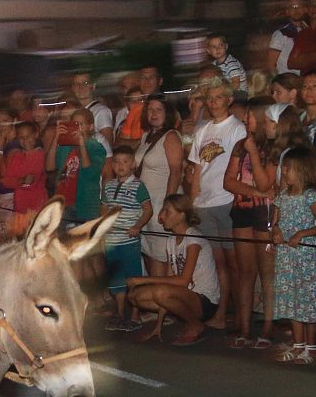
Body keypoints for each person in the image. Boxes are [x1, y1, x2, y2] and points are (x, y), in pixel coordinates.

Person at [185, 83, 246, 332]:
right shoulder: (203, 131)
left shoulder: (237, 128)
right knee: (219, 262)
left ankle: (240, 316)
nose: (214, 102)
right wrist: (193, 198)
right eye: (210, 98)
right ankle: (222, 313)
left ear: (229, 99)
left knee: (235, 262)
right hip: (205, 202)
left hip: (226, 199)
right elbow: (197, 168)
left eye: (219, 97)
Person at [127, 194, 220, 347]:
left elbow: (183, 281)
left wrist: (143, 279)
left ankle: (196, 325)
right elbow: (169, 283)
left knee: (159, 292)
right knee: (135, 296)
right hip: (185, 294)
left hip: (205, 300)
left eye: (167, 212)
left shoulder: (194, 240)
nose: (162, 216)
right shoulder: (171, 240)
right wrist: (158, 326)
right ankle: (187, 321)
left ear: (182, 215)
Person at [224, 98, 277, 348]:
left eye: (250, 117)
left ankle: (267, 325)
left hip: (264, 213)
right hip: (243, 209)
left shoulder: (271, 148)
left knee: (267, 273)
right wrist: (255, 193)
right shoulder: (240, 145)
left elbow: (266, 182)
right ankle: (244, 327)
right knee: (246, 271)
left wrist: (253, 151)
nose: (246, 120)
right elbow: (228, 181)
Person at [270, 147, 316, 364]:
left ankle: (312, 347)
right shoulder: (282, 196)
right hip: (287, 256)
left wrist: (302, 234)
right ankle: (298, 344)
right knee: (292, 299)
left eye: (289, 169)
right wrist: (276, 232)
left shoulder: (310, 196)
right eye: (284, 168)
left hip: (305, 256)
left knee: (308, 300)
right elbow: (275, 222)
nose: (284, 172)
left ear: (302, 170)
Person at [101, 146, 152, 330]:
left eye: (125, 161)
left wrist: (137, 226)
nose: (120, 165)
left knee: (132, 278)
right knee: (116, 278)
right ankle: (120, 313)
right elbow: (104, 208)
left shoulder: (138, 186)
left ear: (133, 164)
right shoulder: (108, 185)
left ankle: (135, 316)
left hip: (129, 241)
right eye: (116, 161)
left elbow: (148, 209)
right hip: (111, 241)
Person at [134, 97, 184, 276]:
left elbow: (176, 172)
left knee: (162, 257)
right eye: (150, 110)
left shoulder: (170, 136)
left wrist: (168, 206)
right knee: (150, 255)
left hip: (161, 204)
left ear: (167, 113)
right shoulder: (146, 136)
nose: (153, 114)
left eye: (158, 110)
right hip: (147, 206)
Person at [0, 120, 48, 229]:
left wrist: (17, 181)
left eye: (28, 136)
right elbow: (6, 181)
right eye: (21, 137)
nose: (25, 140)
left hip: (37, 206)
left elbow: (31, 183)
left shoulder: (40, 155)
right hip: (20, 207)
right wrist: (21, 181)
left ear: (35, 135)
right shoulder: (16, 157)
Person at [268, 0, 308, 75]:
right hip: (287, 82)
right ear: (287, 11)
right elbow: (270, 65)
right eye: (292, 7)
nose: (296, 9)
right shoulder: (281, 34)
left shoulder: (309, 31)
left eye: (299, 6)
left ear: (305, 9)